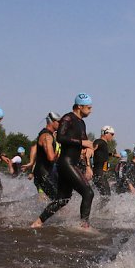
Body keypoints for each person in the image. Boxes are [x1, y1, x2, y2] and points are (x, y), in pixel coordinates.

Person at [31, 94, 95, 228]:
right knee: (88, 193)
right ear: (79, 106)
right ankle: (84, 226)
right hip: (67, 163)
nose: (91, 110)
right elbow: (60, 137)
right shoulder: (68, 118)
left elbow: (84, 143)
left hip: (72, 163)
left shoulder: (81, 122)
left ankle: (37, 223)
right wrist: (82, 142)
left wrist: (88, 150)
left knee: (62, 200)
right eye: (88, 107)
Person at [31, 111, 60, 200]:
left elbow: (33, 148)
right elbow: (51, 157)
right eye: (59, 122)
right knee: (58, 200)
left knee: (60, 198)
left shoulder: (48, 135)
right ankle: (38, 214)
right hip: (43, 175)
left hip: (46, 172)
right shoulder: (47, 136)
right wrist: (58, 156)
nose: (61, 124)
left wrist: (31, 162)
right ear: (52, 122)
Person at [92, 125, 115, 205]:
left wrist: (112, 154)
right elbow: (93, 147)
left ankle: (99, 212)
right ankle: (97, 212)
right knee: (106, 195)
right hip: (98, 173)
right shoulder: (99, 141)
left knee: (107, 195)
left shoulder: (104, 144)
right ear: (106, 133)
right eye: (112, 134)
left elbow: (101, 154)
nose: (113, 136)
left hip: (101, 173)